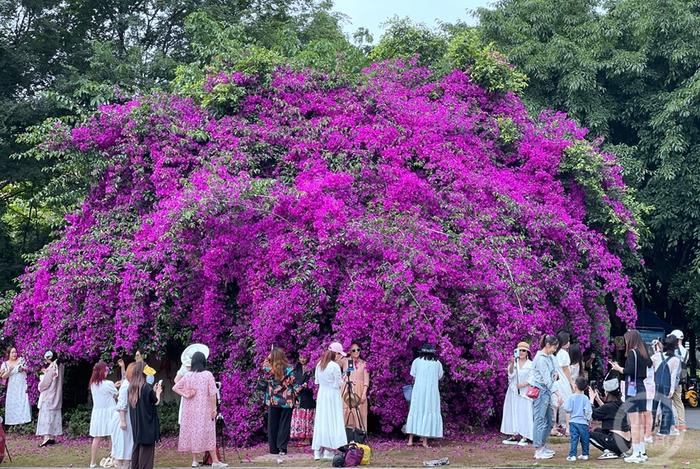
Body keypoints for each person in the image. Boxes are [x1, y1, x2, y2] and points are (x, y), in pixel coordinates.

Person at [173, 351, 227, 467]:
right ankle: (215, 461)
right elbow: (213, 393)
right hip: (204, 409)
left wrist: (186, 394)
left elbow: (175, 387)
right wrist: (214, 408)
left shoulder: (188, 375)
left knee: (193, 433)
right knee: (209, 433)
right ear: (203, 361)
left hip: (190, 411)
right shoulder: (207, 374)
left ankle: (194, 461)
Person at [610, 329, 652, 463]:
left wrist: (618, 368)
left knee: (634, 423)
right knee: (638, 422)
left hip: (632, 388)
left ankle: (636, 453)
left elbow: (628, 371)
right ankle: (641, 451)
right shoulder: (643, 353)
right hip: (641, 387)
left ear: (631, 339)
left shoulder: (633, 353)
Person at [312, 342, 348, 460]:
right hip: (332, 395)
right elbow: (337, 383)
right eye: (339, 355)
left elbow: (317, 381)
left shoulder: (319, 364)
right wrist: (344, 378)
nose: (340, 357)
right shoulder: (334, 366)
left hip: (322, 394)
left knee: (322, 420)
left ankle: (318, 451)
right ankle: (328, 450)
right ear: (336, 354)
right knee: (332, 419)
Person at [405, 343, 444, 448]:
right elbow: (440, 376)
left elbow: (413, 375)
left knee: (415, 411)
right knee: (428, 411)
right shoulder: (437, 363)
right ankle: (425, 441)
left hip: (418, 391)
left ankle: (410, 440)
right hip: (431, 392)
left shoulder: (417, 361)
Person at [529, 334, 562, 460]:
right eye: (554, 347)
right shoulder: (541, 359)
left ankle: (542, 445)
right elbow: (547, 380)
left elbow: (554, 372)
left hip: (547, 392)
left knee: (549, 420)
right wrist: (558, 393)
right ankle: (538, 449)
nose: (555, 349)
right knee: (539, 420)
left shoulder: (550, 357)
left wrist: (555, 376)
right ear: (548, 345)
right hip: (540, 392)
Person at [261, 347, 297, 457]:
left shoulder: (269, 369)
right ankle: (282, 448)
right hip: (287, 400)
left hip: (273, 400)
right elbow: (292, 381)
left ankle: (273, 448)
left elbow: (264, 366)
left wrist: (268, 358)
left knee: (273, 424)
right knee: (284, 424)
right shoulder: (289, 368)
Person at [129, 364, 163, 469]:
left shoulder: (131, 387)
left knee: (136, 450)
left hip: (137, 427)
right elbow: (155, 401)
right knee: (146, 454)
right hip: (147, 426)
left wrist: (152, 390)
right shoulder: (146, 387)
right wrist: (157, 392)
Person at [588, 379, 632, 459]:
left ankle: (611, 452)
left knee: (586, 435)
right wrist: (597, 399)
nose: (604, 393)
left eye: (605, 391)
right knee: (597, 430)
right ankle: (617, 451)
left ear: (608, 393)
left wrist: (591, 399)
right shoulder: (620, 403)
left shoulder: (609, 407)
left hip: (617, 442)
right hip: (626, 443)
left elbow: (593, 413)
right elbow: (606, 411)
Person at [500, 341, 533, 445]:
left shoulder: (530, 364)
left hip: (525, 392)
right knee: (513, 412)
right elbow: (510, 374)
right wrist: (511, 363)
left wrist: (524, 384)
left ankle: (525, 435)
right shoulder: (514, 362)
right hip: (513, 391)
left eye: (524, 350)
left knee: (524, 413)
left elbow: (533, 377)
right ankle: (514, 435)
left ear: (527, 352)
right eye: (520, 350)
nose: (522, 352)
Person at [89, 361, 118, 468]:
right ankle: (112, 459)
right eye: (106, 370)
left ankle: (92, 462)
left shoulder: (93, 384)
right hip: (110, 412)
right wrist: (115, 386)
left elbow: (103, 393)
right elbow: (116, 395)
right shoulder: (108, 384)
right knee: (112, 436)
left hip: (98, 413)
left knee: (97, 438)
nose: (107, 372)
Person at [654, 335, 681, 436]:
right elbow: (673, 376)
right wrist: (672, 389)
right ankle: (664, 431)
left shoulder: (657, 356)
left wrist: (656, 350)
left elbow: (650, 366)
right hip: (666, 385)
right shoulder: (676, 360)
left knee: (653, 406)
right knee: (666, 407)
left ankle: (649, 428)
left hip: (655, 384)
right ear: (675, 346)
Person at [36, 350, 64, 447]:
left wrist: (40, 385)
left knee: (46, 416)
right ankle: (52, 437)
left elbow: (45, 384)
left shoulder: (52, 368)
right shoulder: (60, 366)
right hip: (57, 394)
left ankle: (47, 437)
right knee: (53, 415)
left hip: (49, 396)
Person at [112, 361, 136, 469]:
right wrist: (123, 421)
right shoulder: (125, 386)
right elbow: (122, 405)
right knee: (123, 443)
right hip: (123, 418)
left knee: (127, 443)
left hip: (127, 417)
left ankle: (126, 464)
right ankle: (122, 465)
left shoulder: (128, 383)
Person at [341, 342, 370, 432]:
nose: (356, 352)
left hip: (359, 390)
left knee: (360, 411)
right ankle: (346, 435)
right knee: (346, 411)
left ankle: (360, 434)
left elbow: (366, 381)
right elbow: (335, 360)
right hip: (347, 390)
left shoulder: (364, 363)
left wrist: (364, 394)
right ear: (350, 351)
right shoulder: (345, 361)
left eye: (358, 349)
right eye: (353, 350)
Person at [563, 376, 592, 461]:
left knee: (574, 439)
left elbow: (567, 409)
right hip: (583, 423)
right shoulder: (586, 398)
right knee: (585, 439)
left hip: (573, 422)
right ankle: (585, 454)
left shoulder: (571, 397)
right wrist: (588, 419)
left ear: (575, 385)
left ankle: (572, 455)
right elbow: (588, 411)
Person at [0, 346, 31, 426]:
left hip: (22, 385)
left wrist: (23, 368)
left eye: (15, 352)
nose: (14, 354)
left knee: (23, 401)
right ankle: (14, 423)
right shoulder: (5, 364)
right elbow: (3, 376)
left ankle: (24, 422)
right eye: (12, 352)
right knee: (14, 402)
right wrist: (9, 370)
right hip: (12, 387)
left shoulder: (21, 360)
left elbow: (28, 369)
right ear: (9, 354)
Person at [290, 353, 315, 446]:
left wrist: (304, 386)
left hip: (308, 396)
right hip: (299, 395)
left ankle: (307, 438)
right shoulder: (297, 368)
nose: (303, 359)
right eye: (301, 357)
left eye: (304, 357)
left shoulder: (311, 369)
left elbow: (312, 381)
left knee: (308, 416)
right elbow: (294, 380)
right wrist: (296, 389)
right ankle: (301, 437)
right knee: (300, 417)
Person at [553, 331, 573, 434]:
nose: (569, 343)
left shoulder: (555, 352)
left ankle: (555, 427)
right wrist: (571, 383)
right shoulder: (564, 354)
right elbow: (566, 370)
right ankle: (567, 427)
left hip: (556, 381)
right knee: (566, 403)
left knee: (556, 403)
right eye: (568, 340)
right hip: (563, 381)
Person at [668, 329, 688, 431]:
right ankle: (682, 424)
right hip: (680, 380)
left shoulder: (675, 350)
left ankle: (670, 424)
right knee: (679, 403)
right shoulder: (685, 351)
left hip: (672, 379)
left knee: (668, 401)